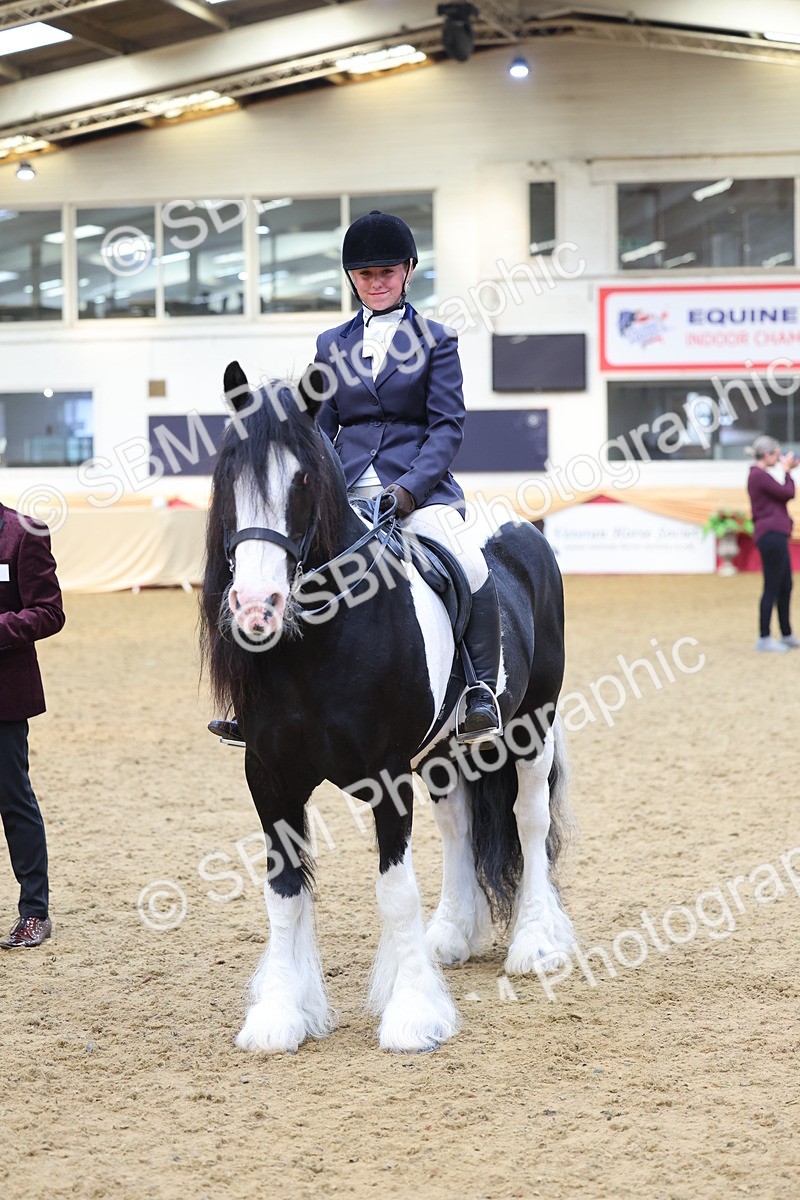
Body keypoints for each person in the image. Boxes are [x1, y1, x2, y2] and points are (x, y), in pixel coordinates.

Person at [210, 210, 502, 744]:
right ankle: (257, 702)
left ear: (409, 270)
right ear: (352, 279)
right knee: (277, 572)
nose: (377, 283)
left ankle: (480, 690)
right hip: (342, 493)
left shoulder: (437, 340)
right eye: (366, 275)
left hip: (420, 491)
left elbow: (447, 428)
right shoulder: (330, 344)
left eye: (387, 272)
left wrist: (409, 490)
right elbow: (318, 430)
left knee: (469, 562)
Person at [0, 501, 65, 948]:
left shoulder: (24, 533)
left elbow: (49, 611)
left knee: (14, 801)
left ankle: (34, 913)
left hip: (4, 697)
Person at [746, 435, 799, 653]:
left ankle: (786, 633)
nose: (778, 457)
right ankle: (764, 637)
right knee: (772, 586)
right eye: (776, 453)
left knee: (785, 584)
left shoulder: (760, 475)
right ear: (767, 455)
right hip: (771, 536)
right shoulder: (758, 476)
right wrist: (788, 471)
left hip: (776, 535)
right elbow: (788, 492)